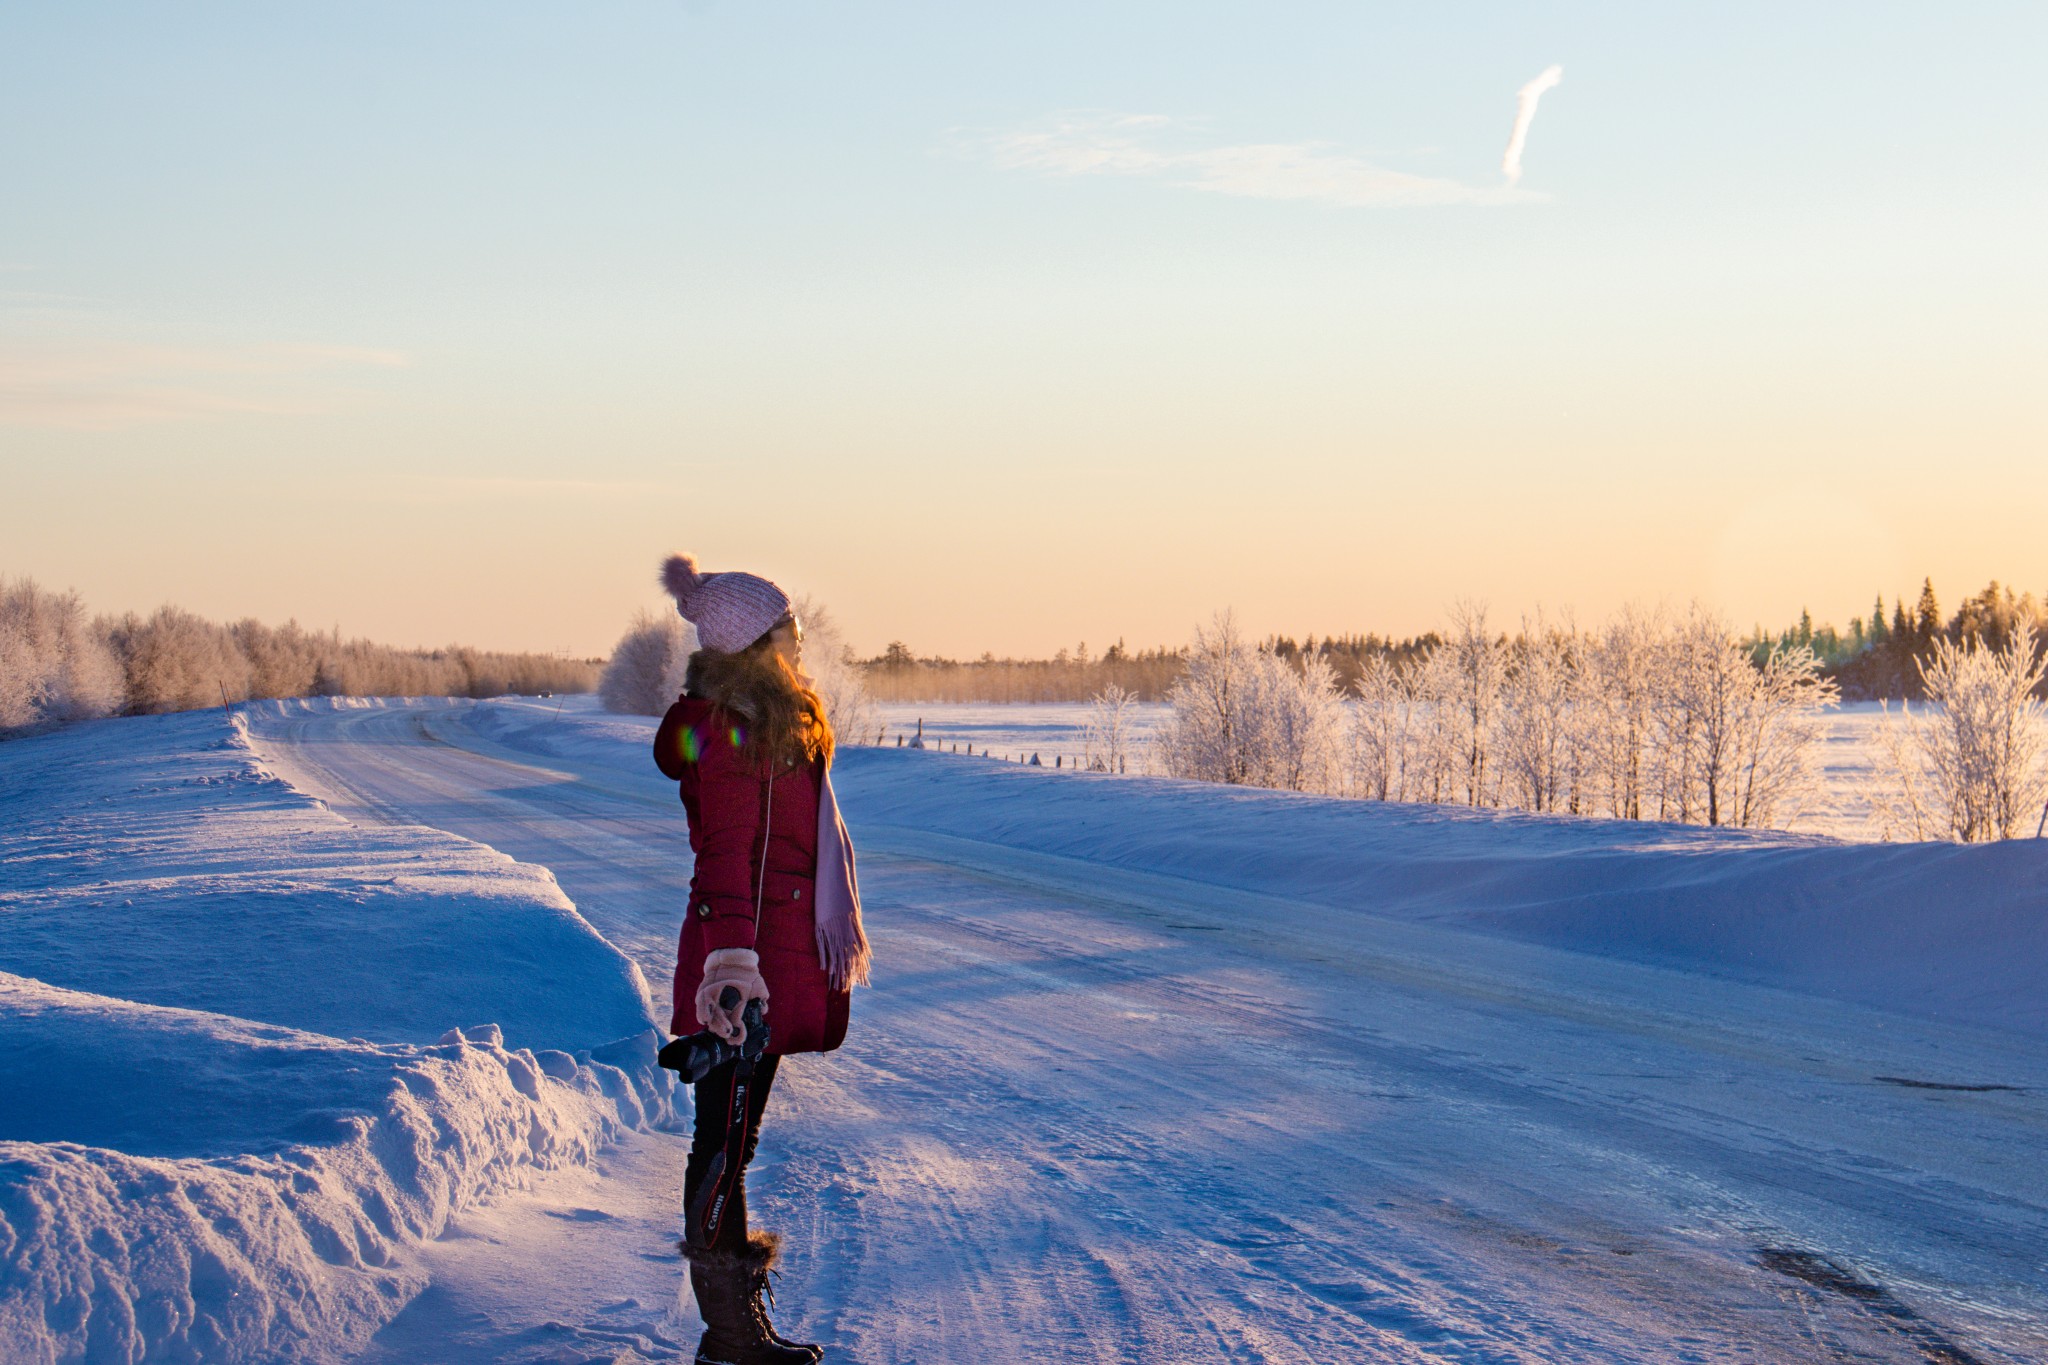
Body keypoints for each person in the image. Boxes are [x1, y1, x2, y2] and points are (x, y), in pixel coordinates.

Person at [651, 552, 871, 1365]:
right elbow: (726, 854)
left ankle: (734, 1330)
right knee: (722, 1138)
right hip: (741, 968)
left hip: (757, 960)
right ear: (755, 643)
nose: (800, 641)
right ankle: (730, 1337)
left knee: (732, 1141)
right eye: (789, 629)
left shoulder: (770, 719)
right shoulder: (735, 728)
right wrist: (733, 971)